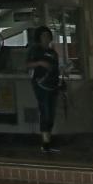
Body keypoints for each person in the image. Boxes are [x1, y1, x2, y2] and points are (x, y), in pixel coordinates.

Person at [25, 26, 62, 154]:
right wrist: (40, 63)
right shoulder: (35, 50)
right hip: (41, 85)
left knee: (51, 113)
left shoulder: (53, 53)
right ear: (39, 37)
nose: (46, 38)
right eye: (43, 36)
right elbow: (27, 64)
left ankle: (48, 140)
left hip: (53, 85)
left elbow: (57, 69)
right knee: (45, 111)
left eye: (48, 35)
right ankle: (45, 143)